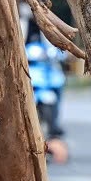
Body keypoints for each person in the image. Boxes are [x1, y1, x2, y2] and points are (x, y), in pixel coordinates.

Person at [23, 10, 70, 166]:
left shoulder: (51, 29)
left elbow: (62, 47)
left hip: (50, 74)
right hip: (32, 74)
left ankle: (55, 132)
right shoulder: (21, 26)